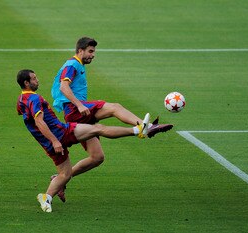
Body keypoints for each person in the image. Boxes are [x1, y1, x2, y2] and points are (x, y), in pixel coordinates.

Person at [51, 37, 173, 200]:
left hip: (78, 114)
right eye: (90, 51)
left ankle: (59, 181)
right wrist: (79, 105)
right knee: (114, 107)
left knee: (97, 158)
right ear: (80, 50)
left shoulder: (78, 65)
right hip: (76, 110)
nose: (93, 55)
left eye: (94, 52)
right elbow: (63, 86)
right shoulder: (72, 64)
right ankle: (146, 127)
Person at [16, 69, 151, 212]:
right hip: (61, 133)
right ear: (27, 82)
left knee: (65, 174)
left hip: (48, 142)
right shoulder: (34, 99)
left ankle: (46, 197)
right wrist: (55, 141)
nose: (38, 80)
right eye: (34, 79)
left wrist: (50, 141)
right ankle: (138, 130)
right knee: (98, 129)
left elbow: (24, 115)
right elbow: (39, 122)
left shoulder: (21, 100)